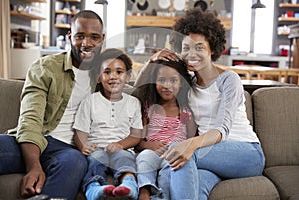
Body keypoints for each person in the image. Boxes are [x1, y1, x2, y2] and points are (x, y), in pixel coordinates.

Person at [135, 8, 265, 200]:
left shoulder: (229, 80)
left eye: (199, 47)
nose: (191, 54)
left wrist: (188, 145)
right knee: (176, 175)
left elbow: (222, 129)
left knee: (181, 154)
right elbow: (138, 92)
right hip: (211, 159)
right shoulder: (187, 85)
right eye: (186, 48)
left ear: (212, 49)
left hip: (245, 153)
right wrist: (152, 61)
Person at [0, 10, 105, 200]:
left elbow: (138, 90)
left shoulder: (106, 74)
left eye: (94, 37)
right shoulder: (46, 67)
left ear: (102, 39)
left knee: (75, 162)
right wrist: (34, 166)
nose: (87, 43)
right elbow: (30, 118)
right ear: (70, 37)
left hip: (67, 151)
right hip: (32, 140)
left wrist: (154, 62)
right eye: (80, 36)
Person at [73, 48, 143, 200]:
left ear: (128, 76)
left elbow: (136, 135)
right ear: (99, 77)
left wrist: (120, 145)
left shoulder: (133, 103)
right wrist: (83, 145)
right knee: (96, 159)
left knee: (125, 158)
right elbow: (80, 132)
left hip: (122, 148)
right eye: (107, 72)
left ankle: (129, 184)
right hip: (97, 148)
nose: (113, 76)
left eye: (119, 72)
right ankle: (94, 188)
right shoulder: (90, 101)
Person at [132, 59, 197, 200]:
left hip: (172, 154)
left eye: (173, 81)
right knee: (144, 158)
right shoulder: (149, 108)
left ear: (181, 84)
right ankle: (144, 191)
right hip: (151, 151)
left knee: (170, 170)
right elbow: (138, 140)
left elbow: (191, 139)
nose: (167, 86)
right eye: (162, 80)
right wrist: (148, 145)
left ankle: (162, 196)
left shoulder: (184, 112)